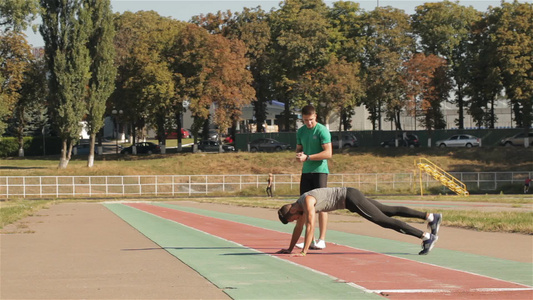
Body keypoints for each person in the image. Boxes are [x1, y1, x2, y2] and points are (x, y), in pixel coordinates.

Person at [276, 187, 442, 256]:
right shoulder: (300, 205)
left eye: (293, 219)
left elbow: (311, 225)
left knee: (383, 220)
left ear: (292, 211)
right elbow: (299, 228)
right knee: (387, 210)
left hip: (351, 199)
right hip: (351, 196)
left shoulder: (306, 201)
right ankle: (430, 217)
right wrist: (290, 249)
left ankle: (426, 237)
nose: (296, 220)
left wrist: (304, 251)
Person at [295, 105, 332, 250]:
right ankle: (310, 240)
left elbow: (328, 153)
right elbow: (299, 149)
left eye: (310, 120)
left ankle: (322, 239)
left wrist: (308, 157)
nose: (308, 123)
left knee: (322, 206)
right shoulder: (301, 131)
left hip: (320, 171)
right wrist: (299, 155)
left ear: (315, 116)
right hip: (306, 172)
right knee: (305, 206)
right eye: (305, 120)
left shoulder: (322, 130)